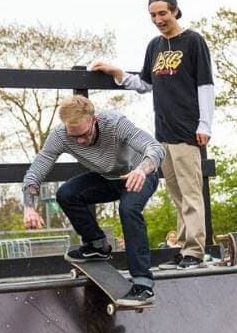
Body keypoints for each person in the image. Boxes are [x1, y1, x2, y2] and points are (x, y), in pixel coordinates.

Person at [92, 0, 214, 271]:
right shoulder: (155, 46)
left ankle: (195, 252)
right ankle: (183, 250)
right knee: (176, 193)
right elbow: (145, 84)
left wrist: (204, 124)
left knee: (191, 192)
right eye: (153, 15)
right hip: (163, 133)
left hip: (188, 130)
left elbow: (205, 85)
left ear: (175, 12)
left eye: (163, 13)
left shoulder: (193, 41)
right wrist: (117, 73)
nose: (158, 19)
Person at [22, 96, 164, 307]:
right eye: (74, 136)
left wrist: (142, 170)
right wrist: (28, 206)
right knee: (67, 193)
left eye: (84, 135)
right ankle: (97, 244)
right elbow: (37, 169)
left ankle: (143, 284)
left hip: (139, 176)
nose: (79, 141)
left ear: (93, 119)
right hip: (107, 179)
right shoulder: (60, 136)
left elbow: (155, 148)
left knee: (128, 209)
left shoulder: (115, 124)